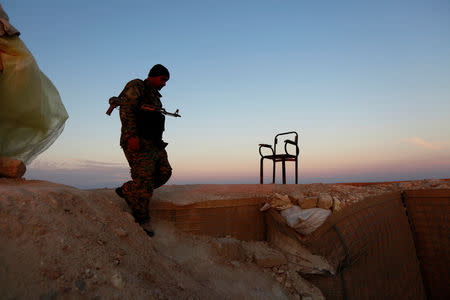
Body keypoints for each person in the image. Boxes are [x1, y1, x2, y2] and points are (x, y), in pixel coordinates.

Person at [115, 64, 172, 236]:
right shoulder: (137, 86)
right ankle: (141, 220)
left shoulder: (155, 97)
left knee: (164, 172)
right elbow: (126, 109)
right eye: (163, 79)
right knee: (144, 179)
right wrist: (132, 136)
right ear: (153, 76)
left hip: (154, 143)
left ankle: (129, 189)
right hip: (138, 140)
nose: (164, 84)